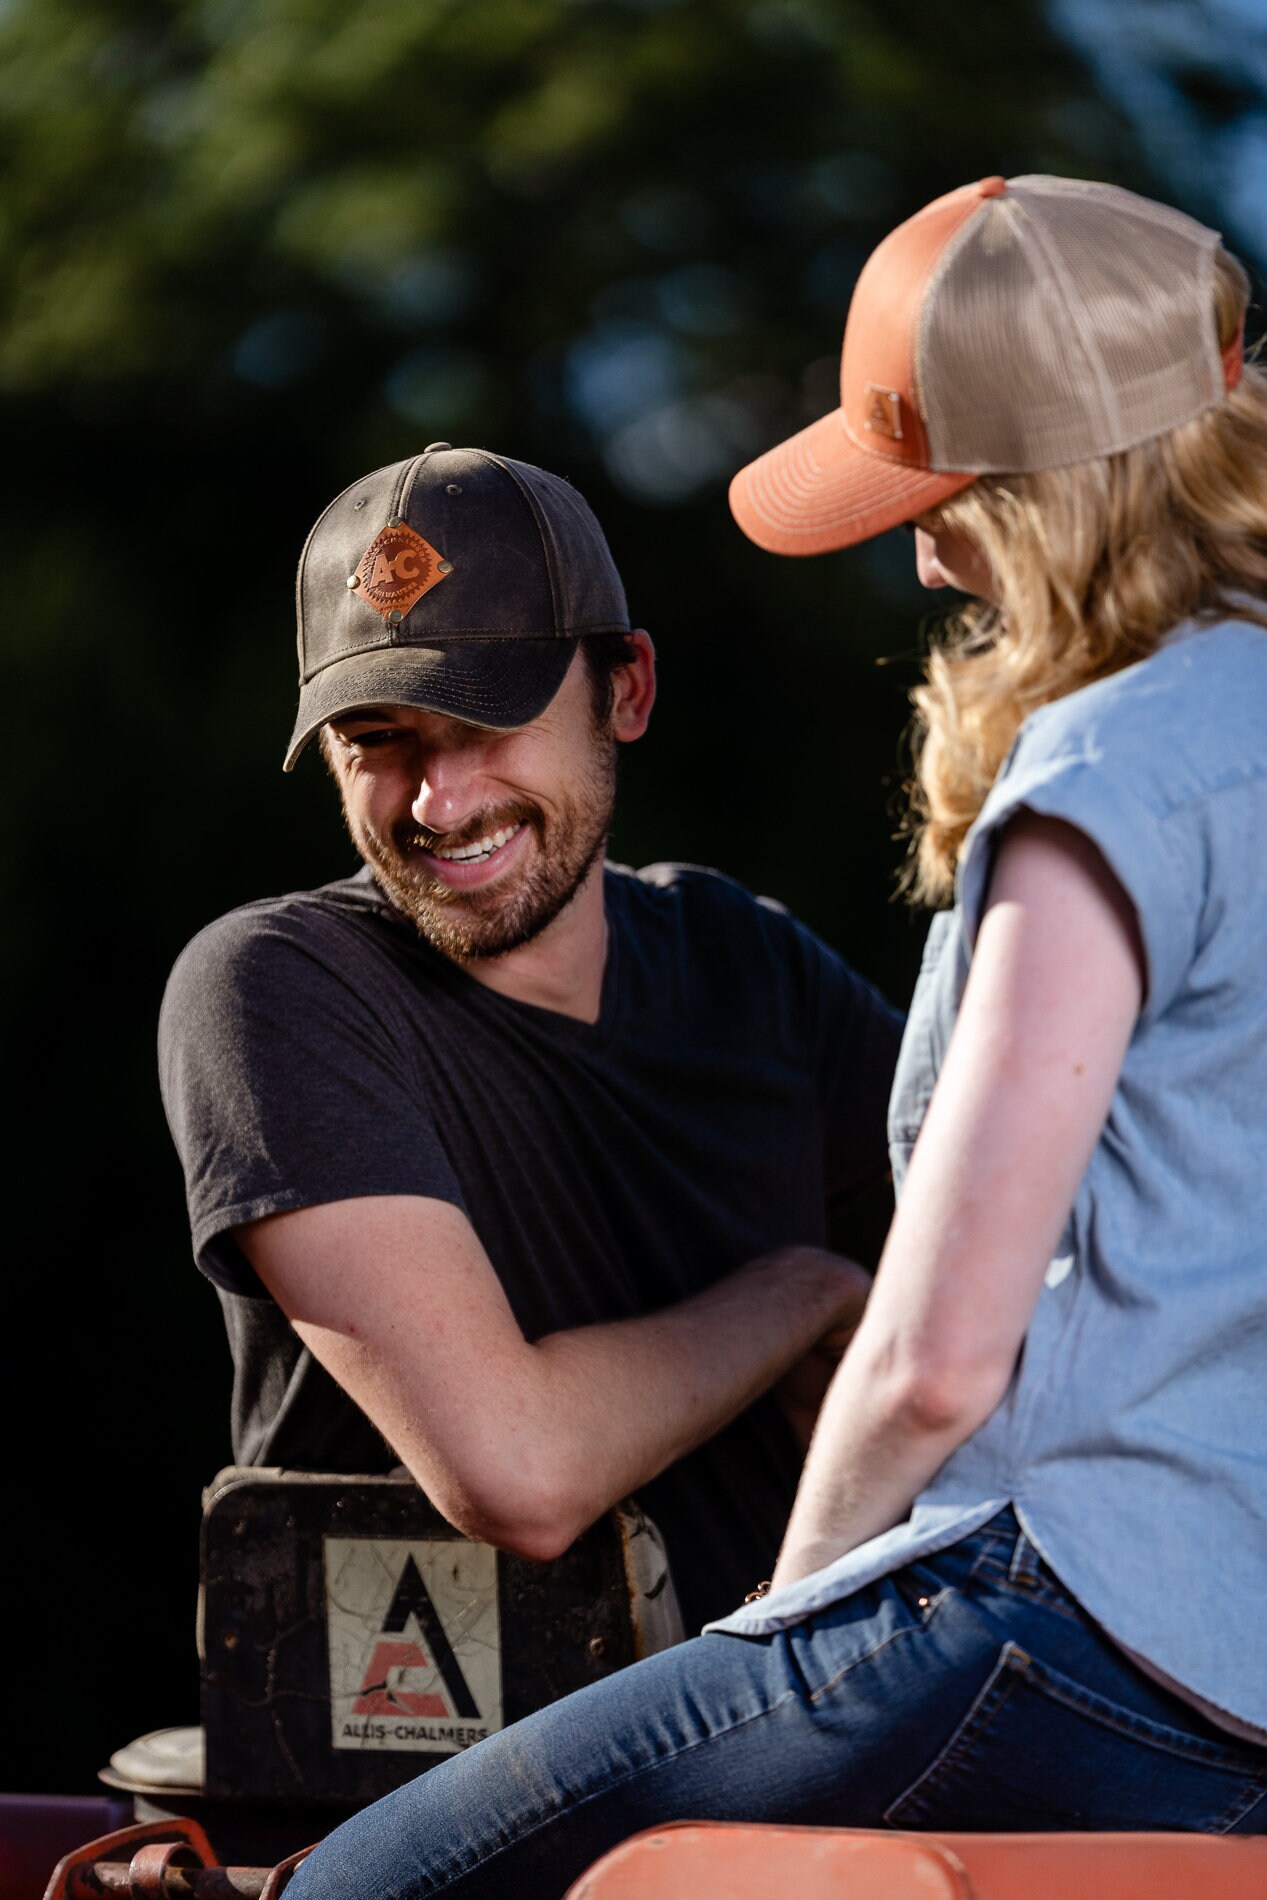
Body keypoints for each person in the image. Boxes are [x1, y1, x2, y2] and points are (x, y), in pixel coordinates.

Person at [277, 173, 1267, 1900]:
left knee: (361, 1893)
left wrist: (778, 1629)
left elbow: (939, 1353)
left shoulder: (1099, 784)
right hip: (1237, 1671)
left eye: (939, 497)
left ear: (1043, 494)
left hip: (1061, 1610)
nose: (919, 550)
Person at [157, 441, 905, 1637]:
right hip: (414, 1782)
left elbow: (1041, 1274)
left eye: (487, 719)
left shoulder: (749, 964)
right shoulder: (277, 987)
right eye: (378, 737)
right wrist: (807, 1293)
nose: (436, 802)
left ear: (628, 690)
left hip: (780, 1740)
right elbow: (519, 1473)